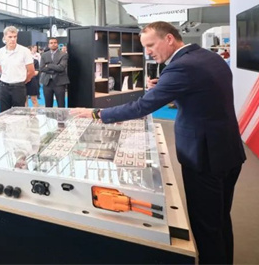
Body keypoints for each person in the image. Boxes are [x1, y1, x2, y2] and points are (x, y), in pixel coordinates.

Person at [74, 21, 246, 265]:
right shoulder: (208, 57)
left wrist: (97, 114)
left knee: (206, 227)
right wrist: (164, 87)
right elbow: (202, 93)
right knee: (220, 219)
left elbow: (142, 106)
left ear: (169, 39)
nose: (148, 52)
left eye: (151, 45)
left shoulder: (181, 67)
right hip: (228, 149)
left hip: (204, 155)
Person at [0, 26, 35, 112]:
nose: (13, 39)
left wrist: (22, 81)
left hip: (19, 87)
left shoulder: (25, 51)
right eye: (10, 37)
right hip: (4, 87)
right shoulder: (0, 52)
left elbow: (31, 71)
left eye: (15, 36)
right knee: (3, 113)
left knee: (19, 113)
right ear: (4, 37)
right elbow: (0, 68)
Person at [39, 37, 69, 108]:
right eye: (51, 43)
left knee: (61, 104)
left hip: (59, 82)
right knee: (48, 105)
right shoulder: (44, 55)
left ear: (57, 44)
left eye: (55, 43)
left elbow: (61, 68)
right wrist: (55, 67)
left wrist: (48, 65)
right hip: (47, 82)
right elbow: (42, 68)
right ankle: (48, 116)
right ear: (48, 45)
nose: (53, 44)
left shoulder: (63, 54)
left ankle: (62, 116)